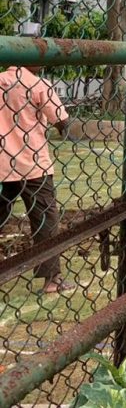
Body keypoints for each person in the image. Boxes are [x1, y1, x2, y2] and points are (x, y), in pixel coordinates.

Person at [0, 65, 74, 293]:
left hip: (1, 164)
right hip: (34, 165)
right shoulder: (39, 84)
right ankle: (52, 278)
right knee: (45, 220)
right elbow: (61, 120)